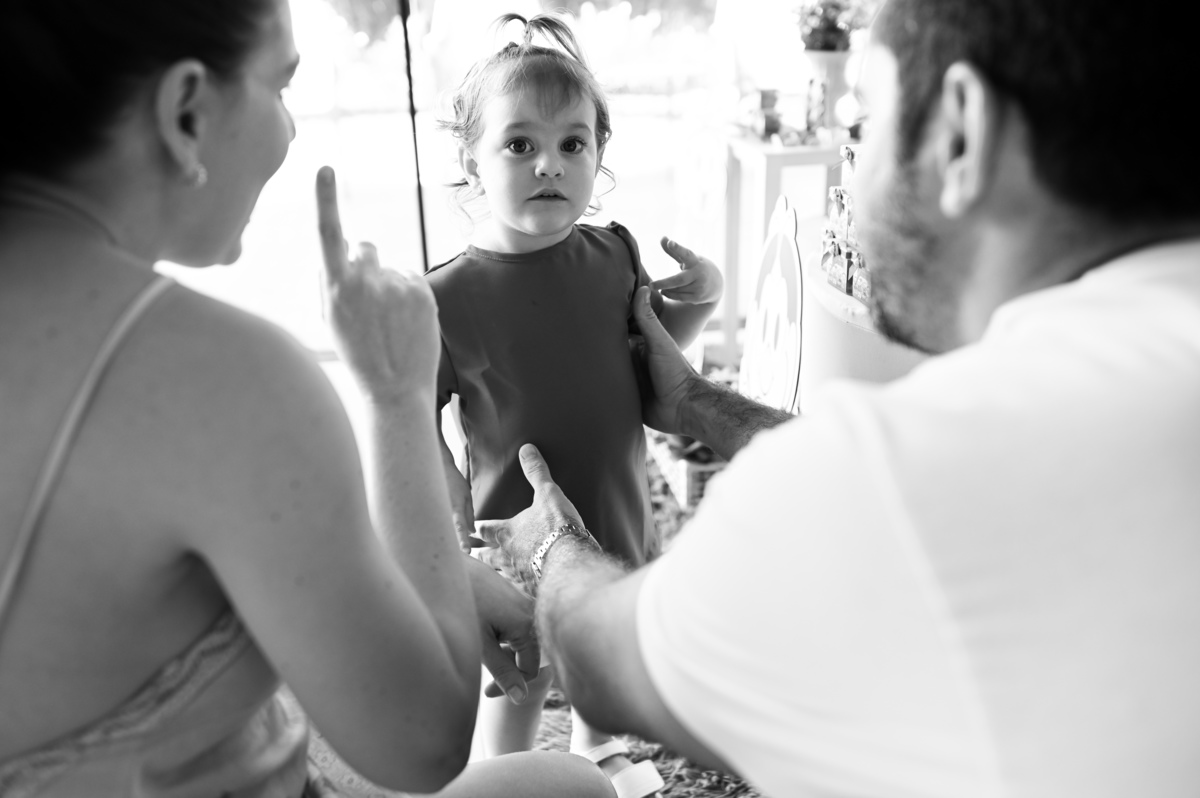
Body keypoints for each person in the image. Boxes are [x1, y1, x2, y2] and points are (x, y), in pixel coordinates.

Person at [479, 0, 1200, 796]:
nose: (849, 176)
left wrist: (545, 546)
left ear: (962, 132)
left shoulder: (883, 479)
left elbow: (601, 661)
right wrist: (699, 404)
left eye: (863, 123)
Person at [0, 1, 616, 796]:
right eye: (280, 87)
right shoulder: (224, 376)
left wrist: (444, 576)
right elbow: (422, 742)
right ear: (186, 111)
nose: (288, 131)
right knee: (578, 784)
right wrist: (395, 395)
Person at [426, 13, 722, 796]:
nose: (549, 164)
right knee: (518, 684)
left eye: (572, 144)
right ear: (472, 159)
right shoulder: (444, 297)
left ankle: (598, 764)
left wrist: (700, 302)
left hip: (615, 510)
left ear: (599, 153)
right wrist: (453, 521)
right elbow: (415, 422)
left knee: (603, 671)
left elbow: (651, 370)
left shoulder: (615, 253)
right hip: (517, 537)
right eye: (519, 144)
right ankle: (503, 778)